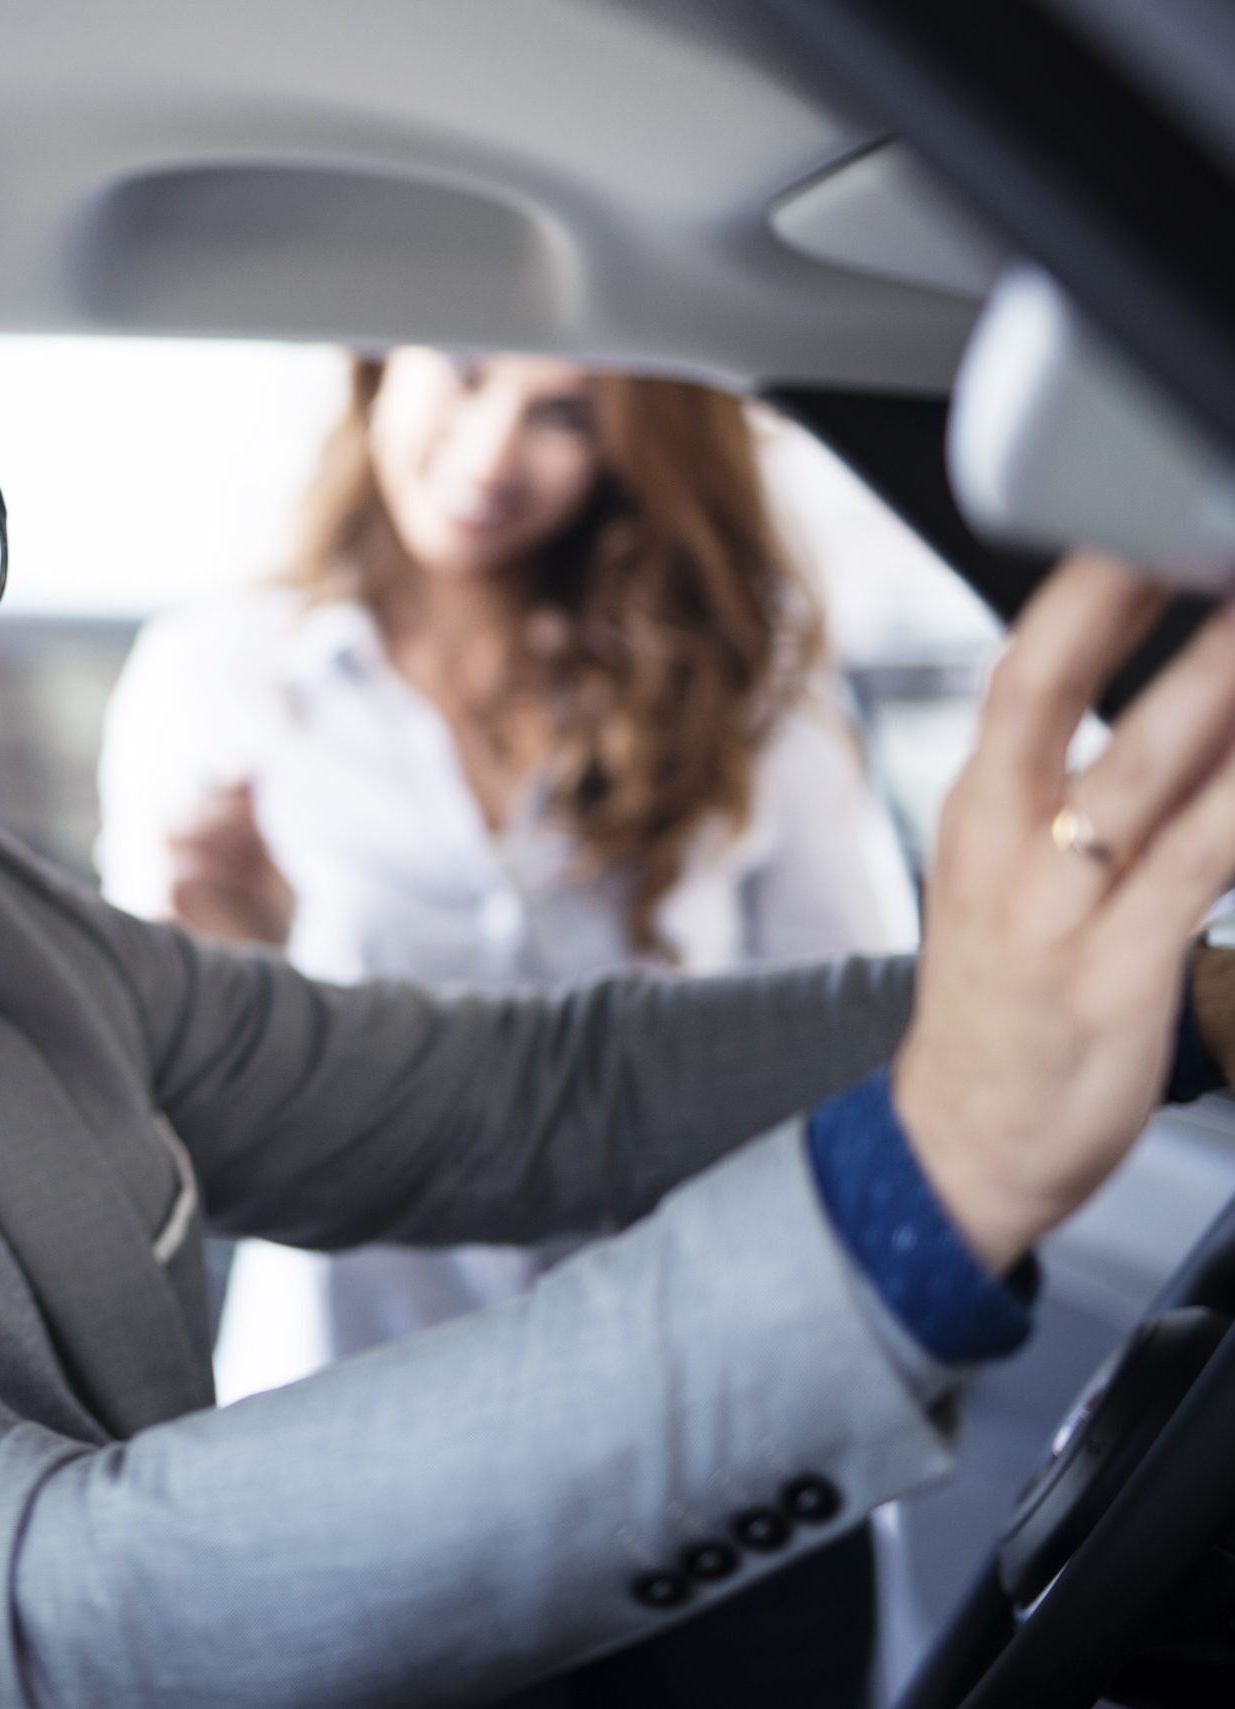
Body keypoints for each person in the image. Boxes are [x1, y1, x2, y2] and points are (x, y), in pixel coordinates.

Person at [0, 237, 1235, 1709]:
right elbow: (72, 1618)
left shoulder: (2, 950)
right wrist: (934, 1184)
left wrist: (1156, 1011)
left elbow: (520, 1104)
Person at [96, 351, 915, 1702]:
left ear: (633, 444)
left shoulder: (747, 681)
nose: (492, 451)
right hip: (350, 1461)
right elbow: (154, 1119)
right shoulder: (219, 674)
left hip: (703, 1448)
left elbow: (856, 1046)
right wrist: (237, 956)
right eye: (467, 375)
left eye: (565, 413)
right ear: (376, 369)